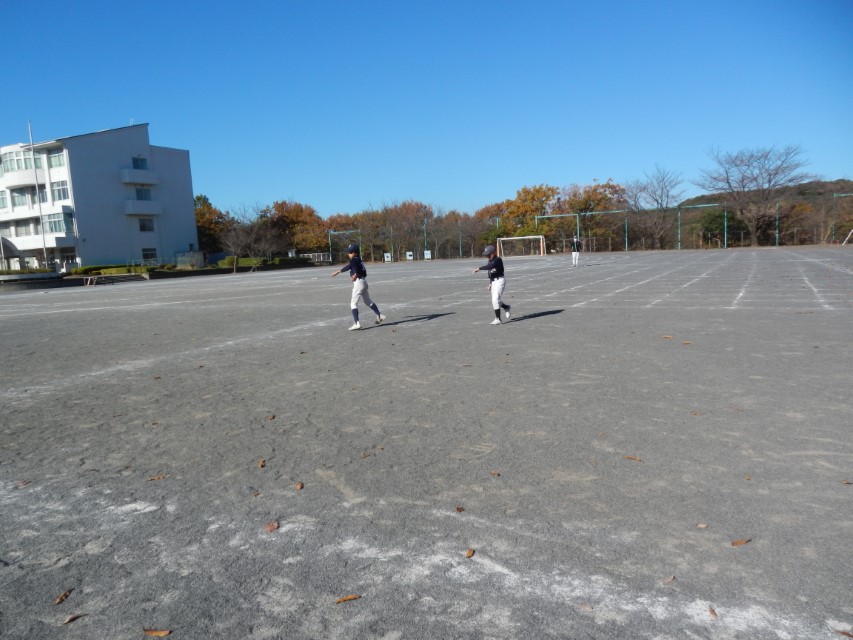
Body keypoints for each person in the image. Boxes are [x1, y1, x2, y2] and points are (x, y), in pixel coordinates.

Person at [331, 244, 385, 331]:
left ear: (355, 253)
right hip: (364, 282)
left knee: (353, 303)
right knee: (367, 301)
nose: (348, 254)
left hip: (358, 283)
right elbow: (348, 267)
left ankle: (357, 323)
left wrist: (354, 276)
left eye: (350, 252)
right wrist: (338, 272)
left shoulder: (353, 261)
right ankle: (379, 315)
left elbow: (355, 270)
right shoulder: (358, 260)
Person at [473, 245, 511, 325]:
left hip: (500, 281)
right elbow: (490, 273)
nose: (487, 256)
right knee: (495, 301)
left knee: (495, 300)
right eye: (486, 255)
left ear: (493, 253)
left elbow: (491, 266)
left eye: (489, 254)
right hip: (494, 282)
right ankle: (506, 307)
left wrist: (479, 268)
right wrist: (490, 283)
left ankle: (498, 319)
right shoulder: (490, 260)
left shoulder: (498, 260)